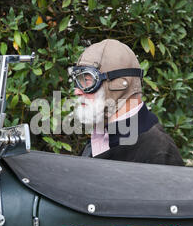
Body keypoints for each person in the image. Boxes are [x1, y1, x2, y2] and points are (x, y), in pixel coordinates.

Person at [68, 38, 184, 166]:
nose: (77, 91)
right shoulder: (102, 137)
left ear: (120, 84)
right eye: (78, 81)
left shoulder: (159, 152)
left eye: (87, 80)